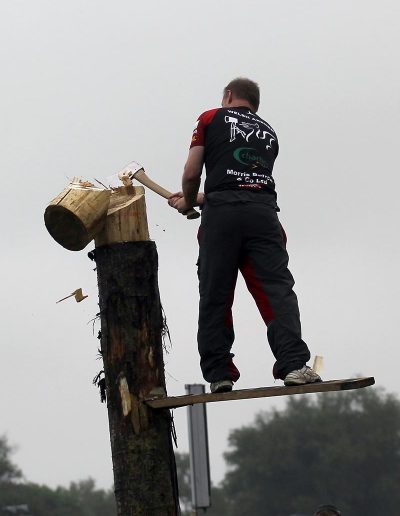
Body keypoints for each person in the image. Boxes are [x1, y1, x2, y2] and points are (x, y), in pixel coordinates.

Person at [169, 77, 321, 393]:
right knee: (276, 290)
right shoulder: (269, 132)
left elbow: (193, 173)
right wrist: (193, 197)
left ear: (228, 96)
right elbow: (244, 182)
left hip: (222, 216)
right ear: (255, 104)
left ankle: (219, 373)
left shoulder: (211, 117)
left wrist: (188, 201)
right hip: (263, 213)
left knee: (216, 292)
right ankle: (294, 365)